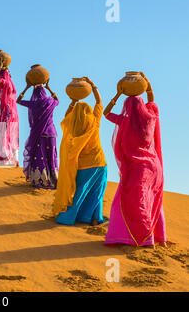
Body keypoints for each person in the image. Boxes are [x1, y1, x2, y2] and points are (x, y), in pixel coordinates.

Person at [104, 72, 166, 247]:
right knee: (154, 199)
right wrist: (147, 84)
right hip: (155, 167)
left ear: (127, 106)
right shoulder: (150, 117)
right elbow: (152, 101)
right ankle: (159, 237)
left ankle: (146, 239)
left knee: (129, 202)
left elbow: (106, 113)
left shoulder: (124, 121)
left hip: (139, 169)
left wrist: (118, 94)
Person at [53, 77, 107, 226]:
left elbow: (66, 115)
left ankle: (68, 216)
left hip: (82, 165)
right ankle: (95, 218)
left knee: (79, 192)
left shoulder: (72, 125)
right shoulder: (94, 121)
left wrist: (73, 100)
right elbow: (99, 103)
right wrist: (93, 85)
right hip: (98, 162)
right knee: (97, 191)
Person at [16, 79, 59, 188]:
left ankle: (42, 180)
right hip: (51, 134)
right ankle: (54, 180)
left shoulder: (34, 103)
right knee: (51, 157)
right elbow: (57, 100)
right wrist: (48, 88)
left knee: (41, 156)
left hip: (40, 134)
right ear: (44, 93)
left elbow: (18, 101)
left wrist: (27, 87)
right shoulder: (50, 102)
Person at [0, 62, 19, 167]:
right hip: (13, 112)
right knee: (12, 133)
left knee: (3, 133)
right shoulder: (11, 84)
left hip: (6, 111)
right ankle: (14, 159)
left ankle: (6, 157)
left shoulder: (4, 82)